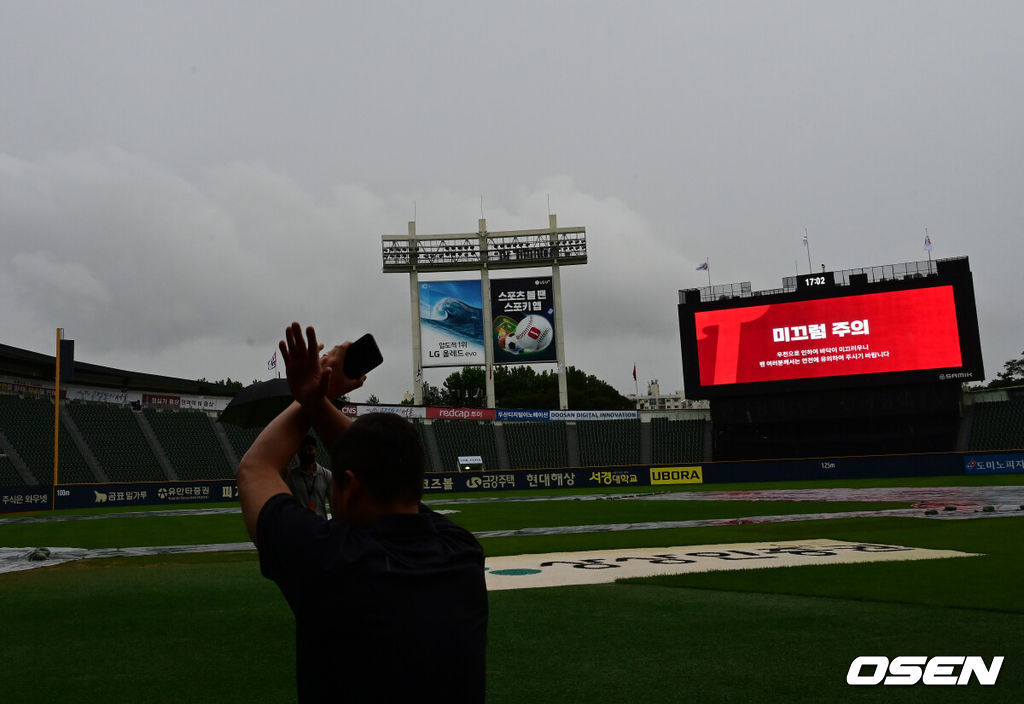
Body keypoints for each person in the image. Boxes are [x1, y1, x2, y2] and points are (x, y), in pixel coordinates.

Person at [236, 322, 488, 703]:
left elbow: (255, 469)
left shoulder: (328, 561)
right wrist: (318, 399)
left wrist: (319, 394)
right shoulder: (462, 554)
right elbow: (385, 468)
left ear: (350, 487)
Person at [281, 434, 332, 518]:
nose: (306, 453)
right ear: (297, 451)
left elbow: (333, 503)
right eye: (302, 450)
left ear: (316, 450)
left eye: (310, 449)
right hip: (300, 525)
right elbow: (284, 501)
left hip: (321, 524)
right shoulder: (291, 476)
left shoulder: (326, 474)